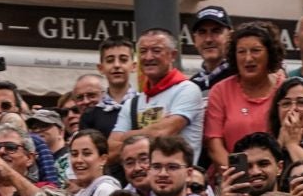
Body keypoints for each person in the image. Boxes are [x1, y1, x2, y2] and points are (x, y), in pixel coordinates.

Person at [110, 28, 206, 161]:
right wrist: (151, 131)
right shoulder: (132, 103)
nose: (148, 57)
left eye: (156, 50)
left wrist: (127, 136)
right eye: (143, 51)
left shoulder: (187, 90)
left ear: (172, 55)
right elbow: (111, 149)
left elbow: (162, 133)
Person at [204, 21, 285, 171]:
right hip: (232, 178)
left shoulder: (285, 89)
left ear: (270, 53)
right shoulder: (220, 91)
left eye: (255, 50)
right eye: (241, 52)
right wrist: (240, 175)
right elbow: (214, 145)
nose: (248, 58)